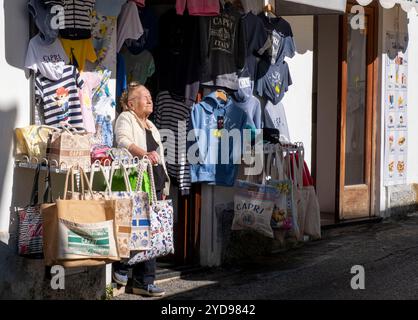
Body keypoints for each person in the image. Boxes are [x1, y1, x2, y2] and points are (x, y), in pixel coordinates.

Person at [113, 81, 170, 297]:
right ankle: (121, 268)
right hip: (136, 180)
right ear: (130, 103)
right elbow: (123, 141)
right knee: (133, 226)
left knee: (152, 232)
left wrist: (165, 184)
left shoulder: (152, 126)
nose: (149, 99)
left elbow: (160, 157)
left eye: (150, 96)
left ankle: (144, 281)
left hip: (155, 183)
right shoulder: (126, 118)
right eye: (144, 96)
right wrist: (143, 154)